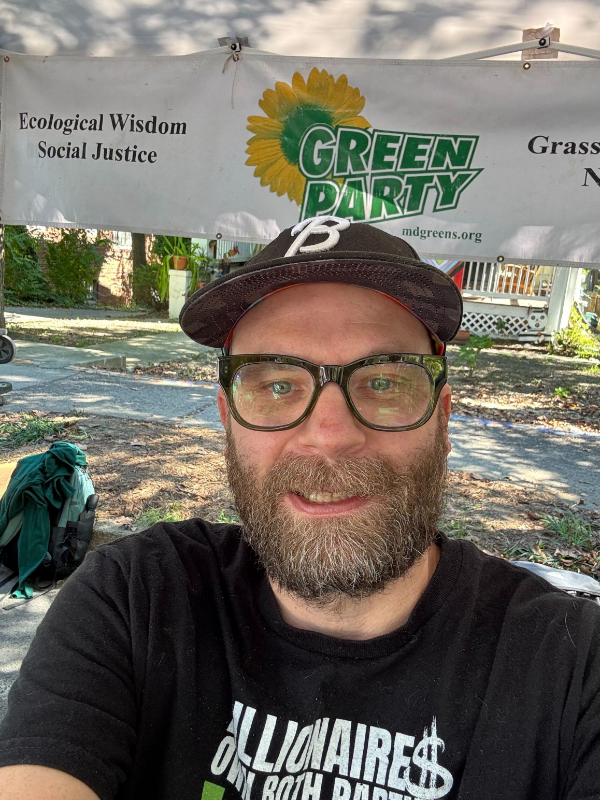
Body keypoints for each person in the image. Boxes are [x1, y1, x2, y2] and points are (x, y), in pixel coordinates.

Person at [0, 216, 599, 800]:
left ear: (442, 418)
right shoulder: (136, 598)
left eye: (385, 382)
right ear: (227, 417)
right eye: (279, 384)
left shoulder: (573, 667)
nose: (330, 435)